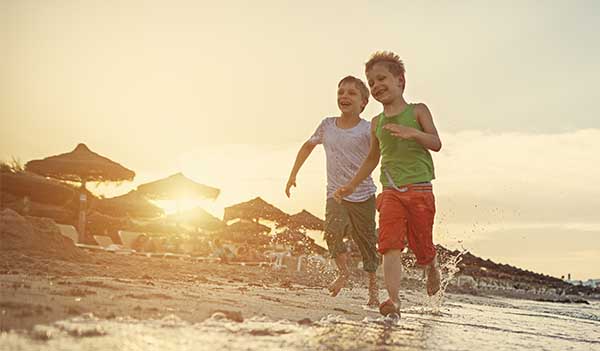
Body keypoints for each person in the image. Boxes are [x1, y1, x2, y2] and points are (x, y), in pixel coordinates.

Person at [334, 51, 442, 317]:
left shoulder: (418, 110)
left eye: (381, 78)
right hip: (390, 191)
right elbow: (372, 158)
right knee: (389, 244)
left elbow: (436, 143)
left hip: (420, 190)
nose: (376, 85)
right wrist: (351, 185)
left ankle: (431, 265)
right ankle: (394, 301)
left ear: (400, 80)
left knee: (422, 246)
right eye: (371, 82)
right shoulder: (376, 123)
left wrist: (412, 133)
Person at [285, 75, 380, 306]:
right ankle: (344, 272)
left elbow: (377, 157)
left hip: (364, 195)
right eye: (341, 92)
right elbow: (308, 146)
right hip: (335, 194)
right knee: (331, 232)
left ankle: (373, 287)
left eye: (351, 93)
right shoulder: (327, 125)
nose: (344, 96)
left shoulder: (368, 129)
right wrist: (293, 174)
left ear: (363, 102)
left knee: (367, 241)